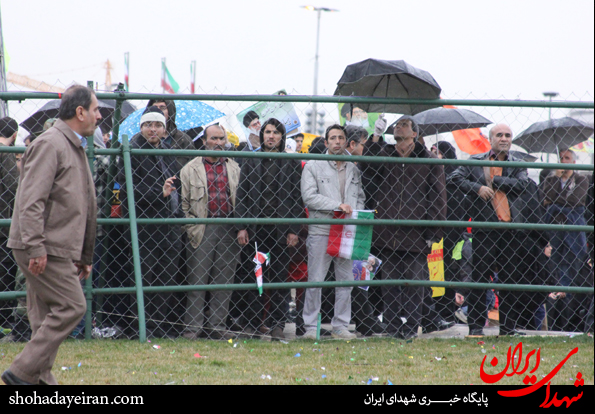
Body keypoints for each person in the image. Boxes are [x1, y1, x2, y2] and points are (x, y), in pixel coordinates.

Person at [2, 85, 99, 385]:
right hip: (45, 245)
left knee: (43, 319)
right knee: (73, 306)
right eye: (95, 109)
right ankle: (20, 372)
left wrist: (83, 255)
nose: (98, 116)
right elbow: (31, 201)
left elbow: (83, 204)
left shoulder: (72, 145)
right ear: (79, 112)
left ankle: (41, 382)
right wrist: (35, 247)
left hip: (56, 246)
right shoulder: (50, 144)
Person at [361, 115, 447, 340]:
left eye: (404, 125)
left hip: (415, 234)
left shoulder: (429, 160)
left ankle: (410, 328)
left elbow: (437, 199)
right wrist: (376, 136)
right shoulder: (386, 154)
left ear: (414, 134)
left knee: (414, 285)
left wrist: (432, 233)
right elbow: (366, 166)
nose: (398, 127)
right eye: (397, 124)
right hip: (388, 233)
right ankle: (391, 327)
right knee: (389, 284)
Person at [448, 124, 534, 337]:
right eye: (499, 135)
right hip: (484, 229)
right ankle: (476, 327)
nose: (504, 138)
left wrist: (496, 181)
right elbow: (454, 178)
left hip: (510, 230)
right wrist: (477, 188)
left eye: (508, 135)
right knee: (479, 279)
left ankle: (507, 328)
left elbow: (523, 185)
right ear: (490, 139)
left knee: (509, 279)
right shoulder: (476, 161)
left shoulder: (518, 164)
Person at [235, 118, 303, 340]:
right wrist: (242, 227)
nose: (271, 136)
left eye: (275, 132)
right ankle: (253, 324)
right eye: (267, 132)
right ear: (261, 135)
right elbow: (242, 196)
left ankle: (277, 325)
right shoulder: (251, 160)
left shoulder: (291, 162)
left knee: (280, 280)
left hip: (281, 231)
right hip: (256, 229)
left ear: (283, 137)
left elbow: (296, 198)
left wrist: (294, 229)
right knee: (254, 277)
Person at [300, 124, 365, 340]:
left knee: (345, 280)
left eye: (341, 138)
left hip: (347, 230)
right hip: (322, 228)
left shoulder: (354, 168)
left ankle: (340, 326)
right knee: (315, 279)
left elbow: (360, 196)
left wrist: (359, 213)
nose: (337, 141)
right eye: (333, 138)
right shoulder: (313, 166)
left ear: (347, 142)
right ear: (326, 142)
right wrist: (337, 205)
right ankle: (311, 327)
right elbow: (309, 197)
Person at [180, 125, 241, 340]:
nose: (218, 142)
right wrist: (191, 227)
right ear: (204, 140)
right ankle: (192, 328)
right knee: (197, 281)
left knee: (224, 282)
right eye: (213, 138)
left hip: (229, 228)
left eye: (221, 138)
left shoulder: (234, 167)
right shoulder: (190, 168)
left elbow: (241, 199)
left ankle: (217, 327)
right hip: (202, 227)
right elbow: (184, 204)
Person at [130, 106, 182, 338]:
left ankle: (158, 326)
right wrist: (158, 192)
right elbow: (128, 188)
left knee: (166, 278)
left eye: (158, 125)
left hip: (170, 225)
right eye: (148, 125)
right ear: (141, 127)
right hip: (145, 226)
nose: (153, 129)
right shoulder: (131, 150)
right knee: (144, 277)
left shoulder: (168, 151)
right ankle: (138, 327)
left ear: (164, 129)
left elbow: (177, 183)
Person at [542, 148, 590, 331]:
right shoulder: (551, 178)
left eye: (567, 158)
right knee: (556, 269)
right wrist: (556, 179)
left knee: (573, 268)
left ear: (574, 162)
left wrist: (556, 204)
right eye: (561, 158)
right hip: (555, 232)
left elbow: (577, 201)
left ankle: (571, 318)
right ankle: (556, 319)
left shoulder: (581, 179)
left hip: (573, 229)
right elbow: (546, 198)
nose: (563, 161)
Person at [0, 117, 20, 335]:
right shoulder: (4, 153)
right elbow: (15, 187)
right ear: (14, 134)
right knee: (5, 269)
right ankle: (4, 317)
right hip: (4, 223)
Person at [144, 99, 194, 170]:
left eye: (162, 108)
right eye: (155, 108)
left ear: (170, 111)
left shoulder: (184, 140)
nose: (158, 111)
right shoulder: (140, 138)